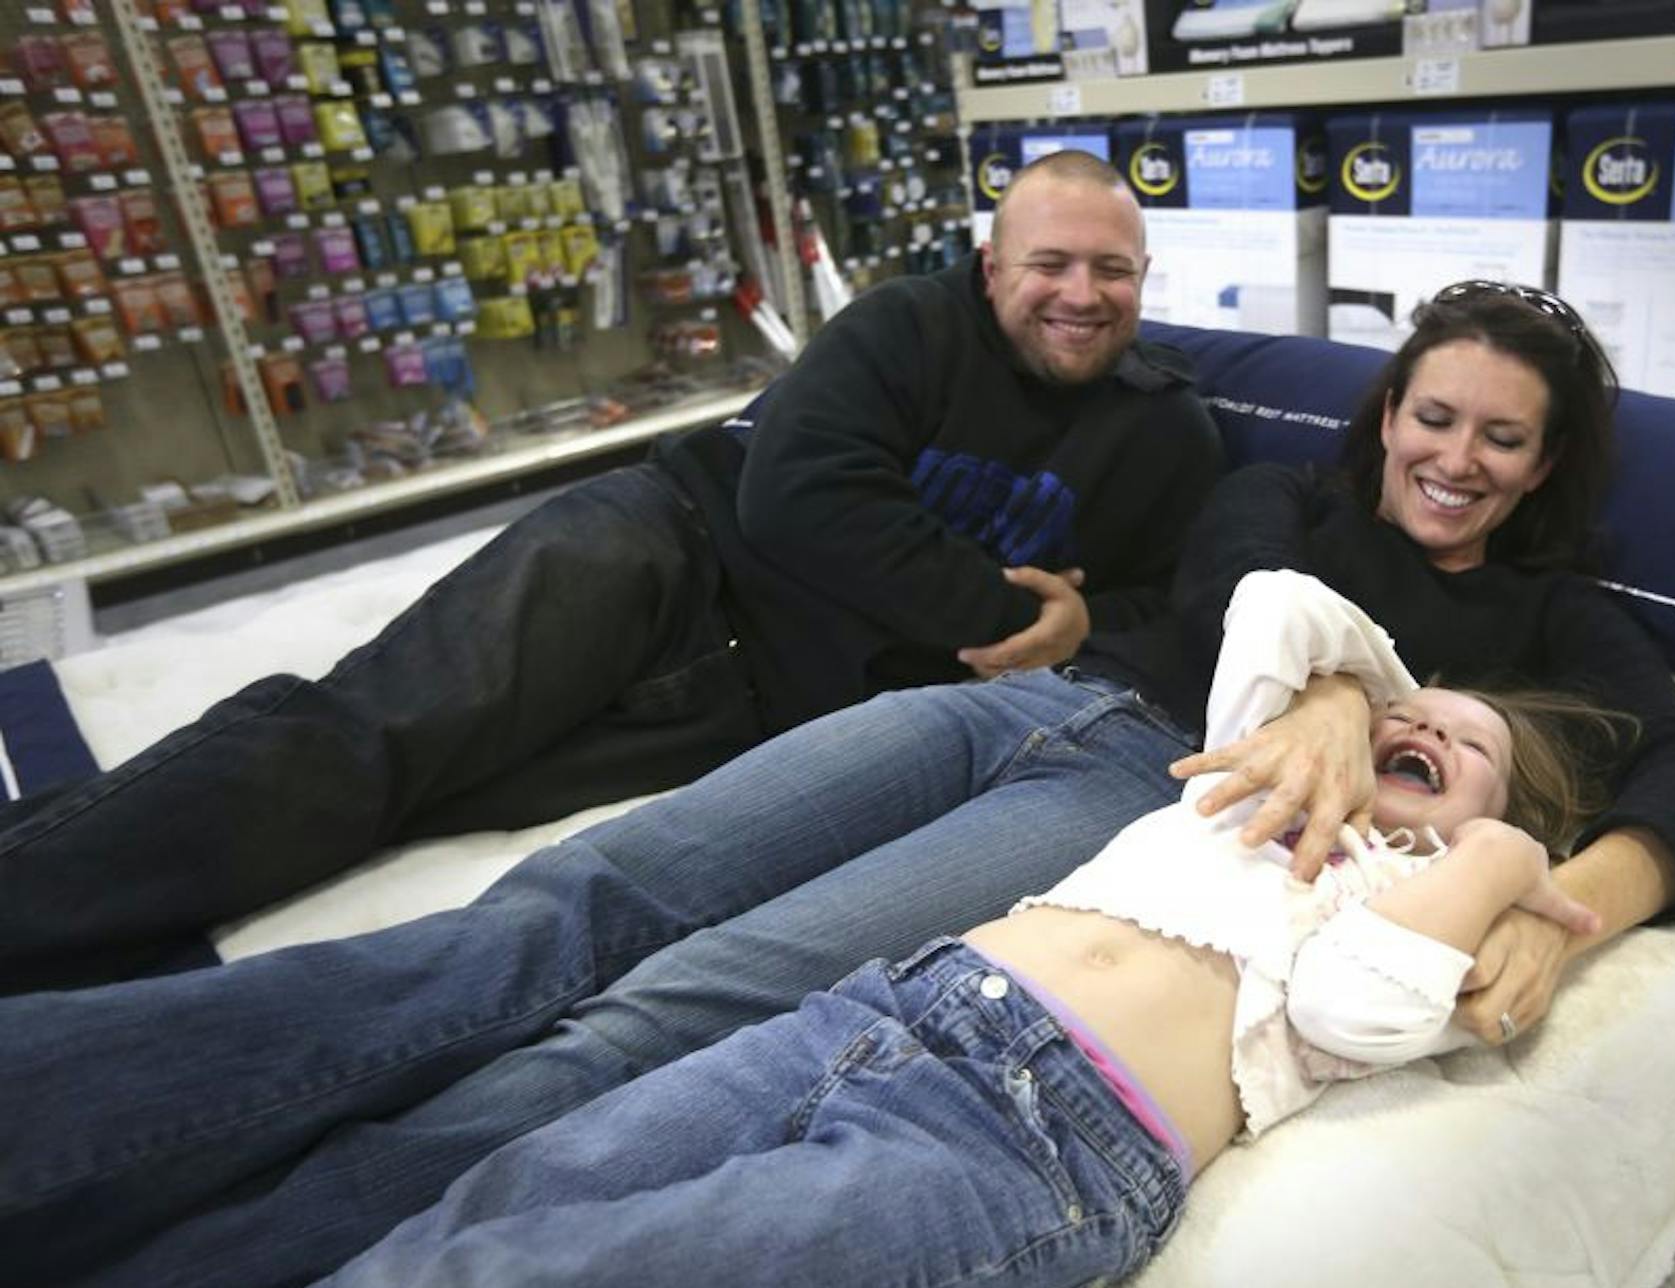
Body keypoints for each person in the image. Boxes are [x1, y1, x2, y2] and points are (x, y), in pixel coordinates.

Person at [0, 282, 1675, 1288]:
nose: (1454, 458)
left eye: (1500, 438)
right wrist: (1330, 696)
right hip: (1015, 710)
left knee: (632, 1032)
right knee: (559, 909)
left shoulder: (1554, 623)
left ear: (1542, 468)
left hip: (1122, 808)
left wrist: (1566, 910)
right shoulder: (1281, 496)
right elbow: (1242, 583)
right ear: (1386, 416)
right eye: (1433, 416)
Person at [33, 572, 1620, 1288]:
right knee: (456, 1238)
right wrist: (1345, 696)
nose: (1423, 728)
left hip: (1036, 1152)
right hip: (883, 1011)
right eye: (1414, 706)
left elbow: (1358, 1003)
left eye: (1462, 747)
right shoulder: (1237, 778)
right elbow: (1275, 601)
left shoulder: (1408, 899)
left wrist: (1493, 861)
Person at [0, 149, 1222, 994]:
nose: (1081, 294)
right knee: (370, 741)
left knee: (429, 804)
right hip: (662, 554)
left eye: (1112, 270)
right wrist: (1000, 613)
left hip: (751, 706)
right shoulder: (907, 324)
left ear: (1143, 278)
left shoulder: (1167, 431)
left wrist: (1079, 629)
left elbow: (1175, 606)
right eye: (1050, 263)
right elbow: (797, 495)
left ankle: (89, 948)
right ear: (991, 265)